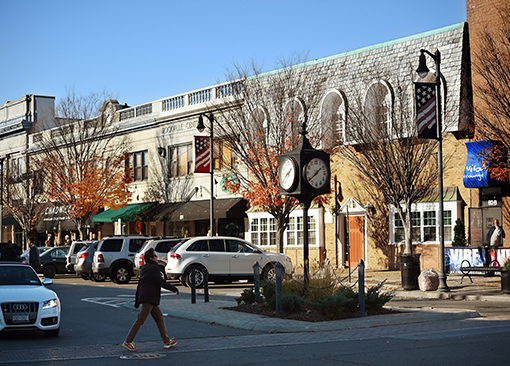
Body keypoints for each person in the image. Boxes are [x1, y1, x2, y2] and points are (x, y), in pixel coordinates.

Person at [123, 248, 179, 352]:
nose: (157, 257)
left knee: (159, 318)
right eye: (155, 256)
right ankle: (128, 341)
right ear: (151, 258)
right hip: (149, 298)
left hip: (149, 298)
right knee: (141, 319)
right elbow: (160, 281)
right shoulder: (153, 268)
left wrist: (137, 300)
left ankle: (166, 341)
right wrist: (173, 288)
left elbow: (139, 285)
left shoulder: (145, 268)